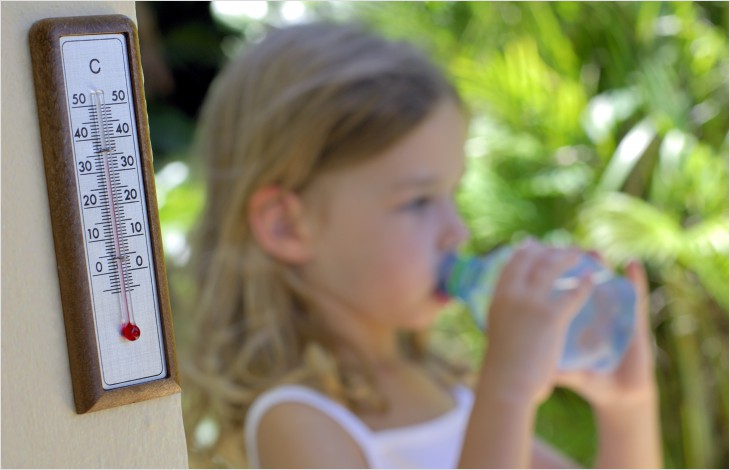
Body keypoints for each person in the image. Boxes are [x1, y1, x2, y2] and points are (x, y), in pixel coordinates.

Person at [183, 21, 662, 468]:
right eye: (417, 202)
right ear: (287, 225)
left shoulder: (448, 388)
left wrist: (627, 404)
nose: (458, 232)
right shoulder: (295, 418)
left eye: (452, 195)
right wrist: (508, 392)